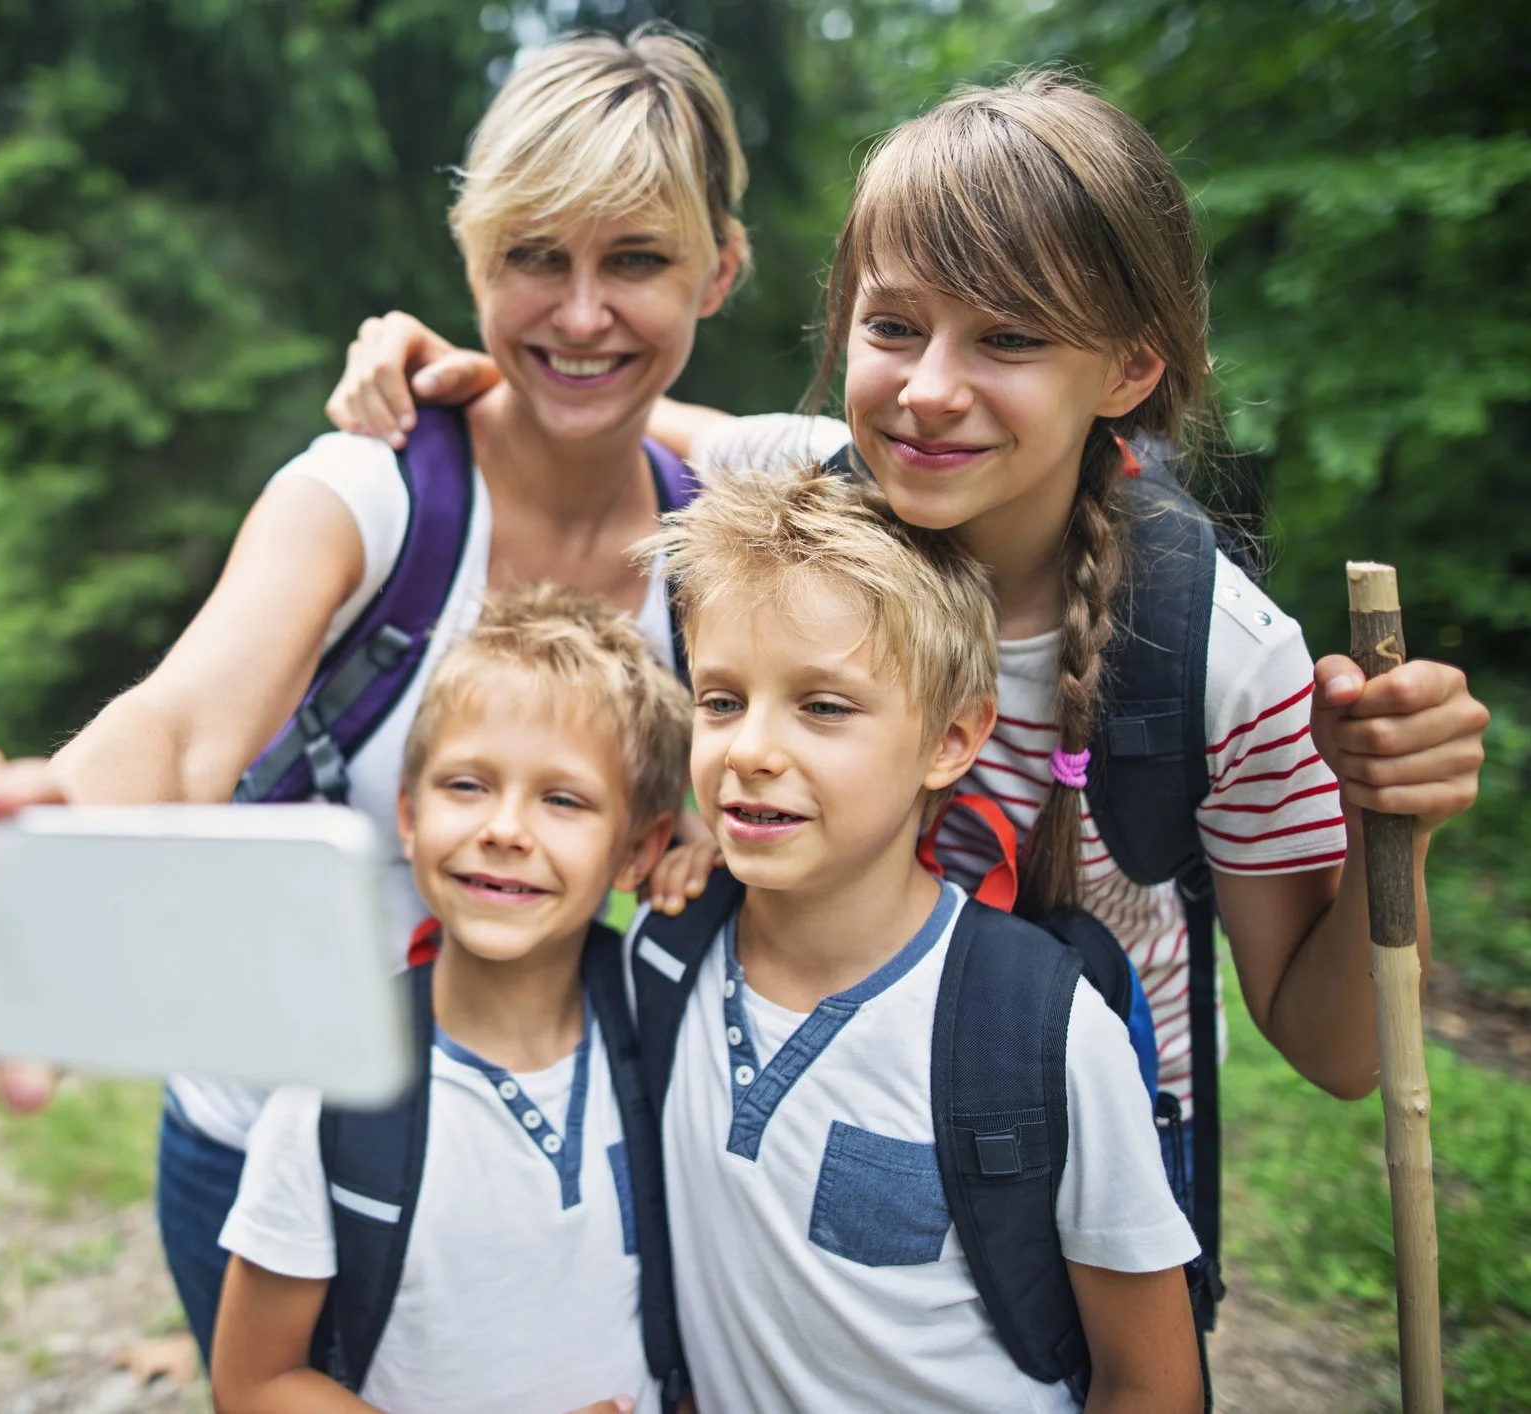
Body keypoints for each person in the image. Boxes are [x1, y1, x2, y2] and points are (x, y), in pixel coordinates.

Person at [322, 67, 1489, 1319]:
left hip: (1066, 1193)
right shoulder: (793, 488)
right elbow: (597, 397)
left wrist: (1392, 831)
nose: (930, 387)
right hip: (784, 1117)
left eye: (1010, 337)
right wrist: (456, 367)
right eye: (893, 329)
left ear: (1130, 366)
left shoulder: (1221, 659)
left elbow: (1334, 1053)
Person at [0, 24, 751, 1358]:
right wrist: (26, 871)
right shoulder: (367, 490)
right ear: (470, 252)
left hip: (546, 1157)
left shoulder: (716, 549)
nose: (576, 311)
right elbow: (182, 721)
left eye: (636, 261)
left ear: (718, 270)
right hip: (273, 1152)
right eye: (530, 257)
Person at [639, 469, 1203, 1412]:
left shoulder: (1039, 1031)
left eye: (822, 706)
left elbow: (1151, 1385)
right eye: (721, 700)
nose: (748, 751)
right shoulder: (660, 958)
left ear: (950, 738)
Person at [212, 585, 690, 1414]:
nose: (504, 828)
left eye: (563, 799)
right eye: (466, 785)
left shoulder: (668, 1032)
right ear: (406, 814)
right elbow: (253, 1381)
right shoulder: (337, 1089)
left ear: (637, 848)